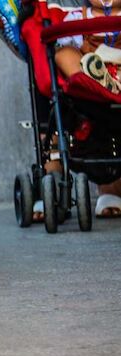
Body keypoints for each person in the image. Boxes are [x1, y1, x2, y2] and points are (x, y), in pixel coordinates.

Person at [50, 0, 121, 218]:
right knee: (64, 53)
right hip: (87, 83)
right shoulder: (78, 16)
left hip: (117, 69)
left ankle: (110, 80)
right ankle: (93, 77)